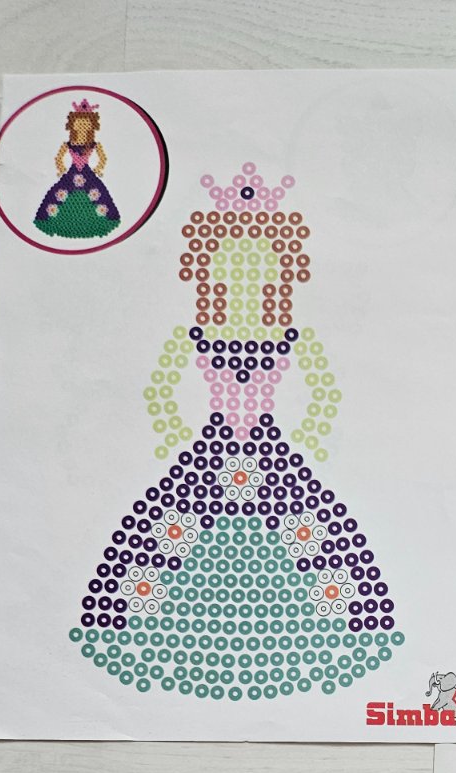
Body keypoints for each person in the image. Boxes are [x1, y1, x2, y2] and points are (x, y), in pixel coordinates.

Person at [68, 164, 402, 702]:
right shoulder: (198, 334)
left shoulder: (288, 335)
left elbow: (320, 388)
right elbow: (162, 386)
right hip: (215, 444)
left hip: (267, 446)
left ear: (278, 278)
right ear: (210, 276)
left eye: (261, 274)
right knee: (171, 528)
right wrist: (175, 431)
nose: (244, 285)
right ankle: (130, 624)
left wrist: (311, 434)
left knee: (308, 531)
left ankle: (343, 629)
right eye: (228, 273)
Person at [34, 99, 121, 239]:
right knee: (60, 193)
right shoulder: (68, 144)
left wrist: (98, 168)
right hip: (72, 172)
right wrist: (61, 168)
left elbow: (102, 158)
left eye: (85, 124)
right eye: (78, 123)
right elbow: (59, 158)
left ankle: (99, 222)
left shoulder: (94, 145)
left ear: (91, 126)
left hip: (87, 173)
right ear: (72, 125)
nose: (82, 126)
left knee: (96, 193)